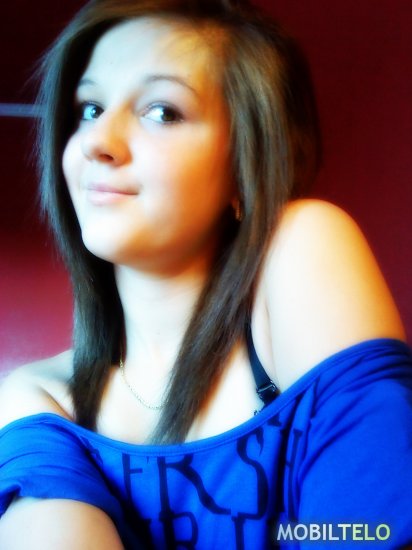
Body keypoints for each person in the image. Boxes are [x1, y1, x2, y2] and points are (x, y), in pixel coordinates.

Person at [0, 0, 411, 548]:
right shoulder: (36, 397)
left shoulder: (304, 245)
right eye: (90, 108)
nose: (97, 142)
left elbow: (369, 532)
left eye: (162, 112)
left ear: (244, 167)